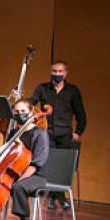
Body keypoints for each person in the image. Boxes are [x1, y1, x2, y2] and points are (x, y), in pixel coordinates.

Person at [29, 59, 85, 210]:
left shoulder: (72, 91)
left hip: (65, 134)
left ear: (66, 73)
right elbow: (30, 103)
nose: (57, 74)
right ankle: (60, 198)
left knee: (61, 167)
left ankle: (53, 197)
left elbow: (80, 113)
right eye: (55, 71)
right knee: (50, 165)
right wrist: (19, 98)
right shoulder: (42, 88)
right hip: (47, 133)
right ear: (51, 72)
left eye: (60, 72)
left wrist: (78, 132)